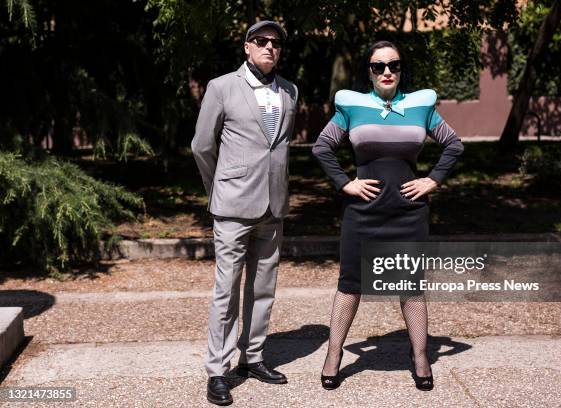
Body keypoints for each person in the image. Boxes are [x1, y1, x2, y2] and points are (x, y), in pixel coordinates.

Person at [312, 40, 464, 391]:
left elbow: (453, 144)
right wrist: (344, 183)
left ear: (400, 70)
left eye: (393, 65)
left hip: (408, 213)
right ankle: (334, 355)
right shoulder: (351, 104)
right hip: (362, 212)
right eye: (378, 66)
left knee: (410, 287)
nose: (386, 72)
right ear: (369, 71)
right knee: (350, 284)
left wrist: (433, 179)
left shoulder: (421, 104)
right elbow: (322, 146)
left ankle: (421, 357)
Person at [191, 20, 298, 406]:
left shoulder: (290, 90)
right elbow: (202, 146)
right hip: (233, 205)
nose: (269, 47)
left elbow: (278, 148)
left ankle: (253, 357)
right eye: (261, 41)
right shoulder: (221, 87)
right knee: (227, 289)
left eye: (275, 43)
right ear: (247, 47)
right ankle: (218, 371)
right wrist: (218, 188)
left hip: (274, 204)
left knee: (263, 287)